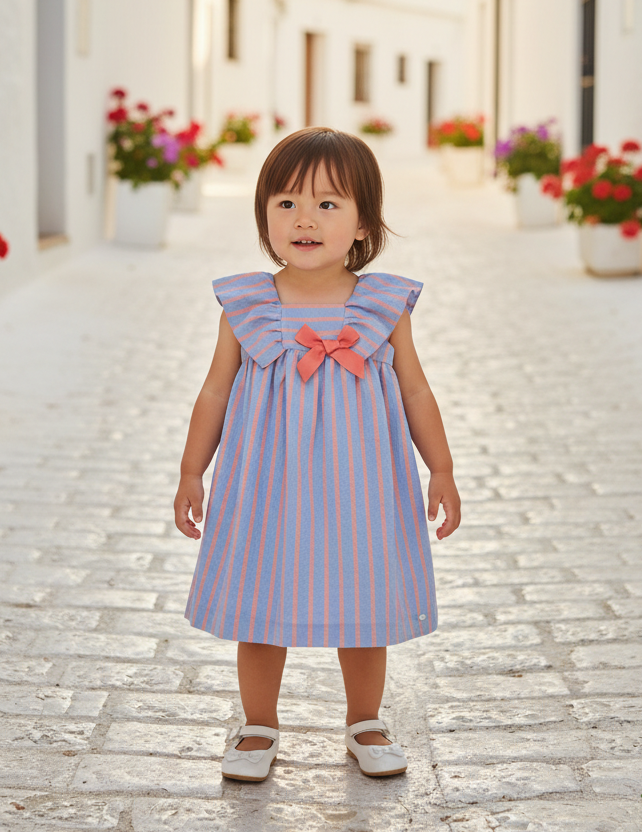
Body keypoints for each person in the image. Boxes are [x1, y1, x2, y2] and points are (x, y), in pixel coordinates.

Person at [174, 126, 460, 782]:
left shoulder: (384, 307)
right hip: (266, 485)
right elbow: (215, 391)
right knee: (260, 595)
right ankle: (257, 725)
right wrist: (192, 470)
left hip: (360, 485)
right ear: (264, 217)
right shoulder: (247, 306)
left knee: (363, 602)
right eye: (285, 203)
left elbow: (415, 387)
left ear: (363, 225)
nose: (304, 218)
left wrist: (440, 469)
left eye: (328, 204)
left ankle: (366, 720)